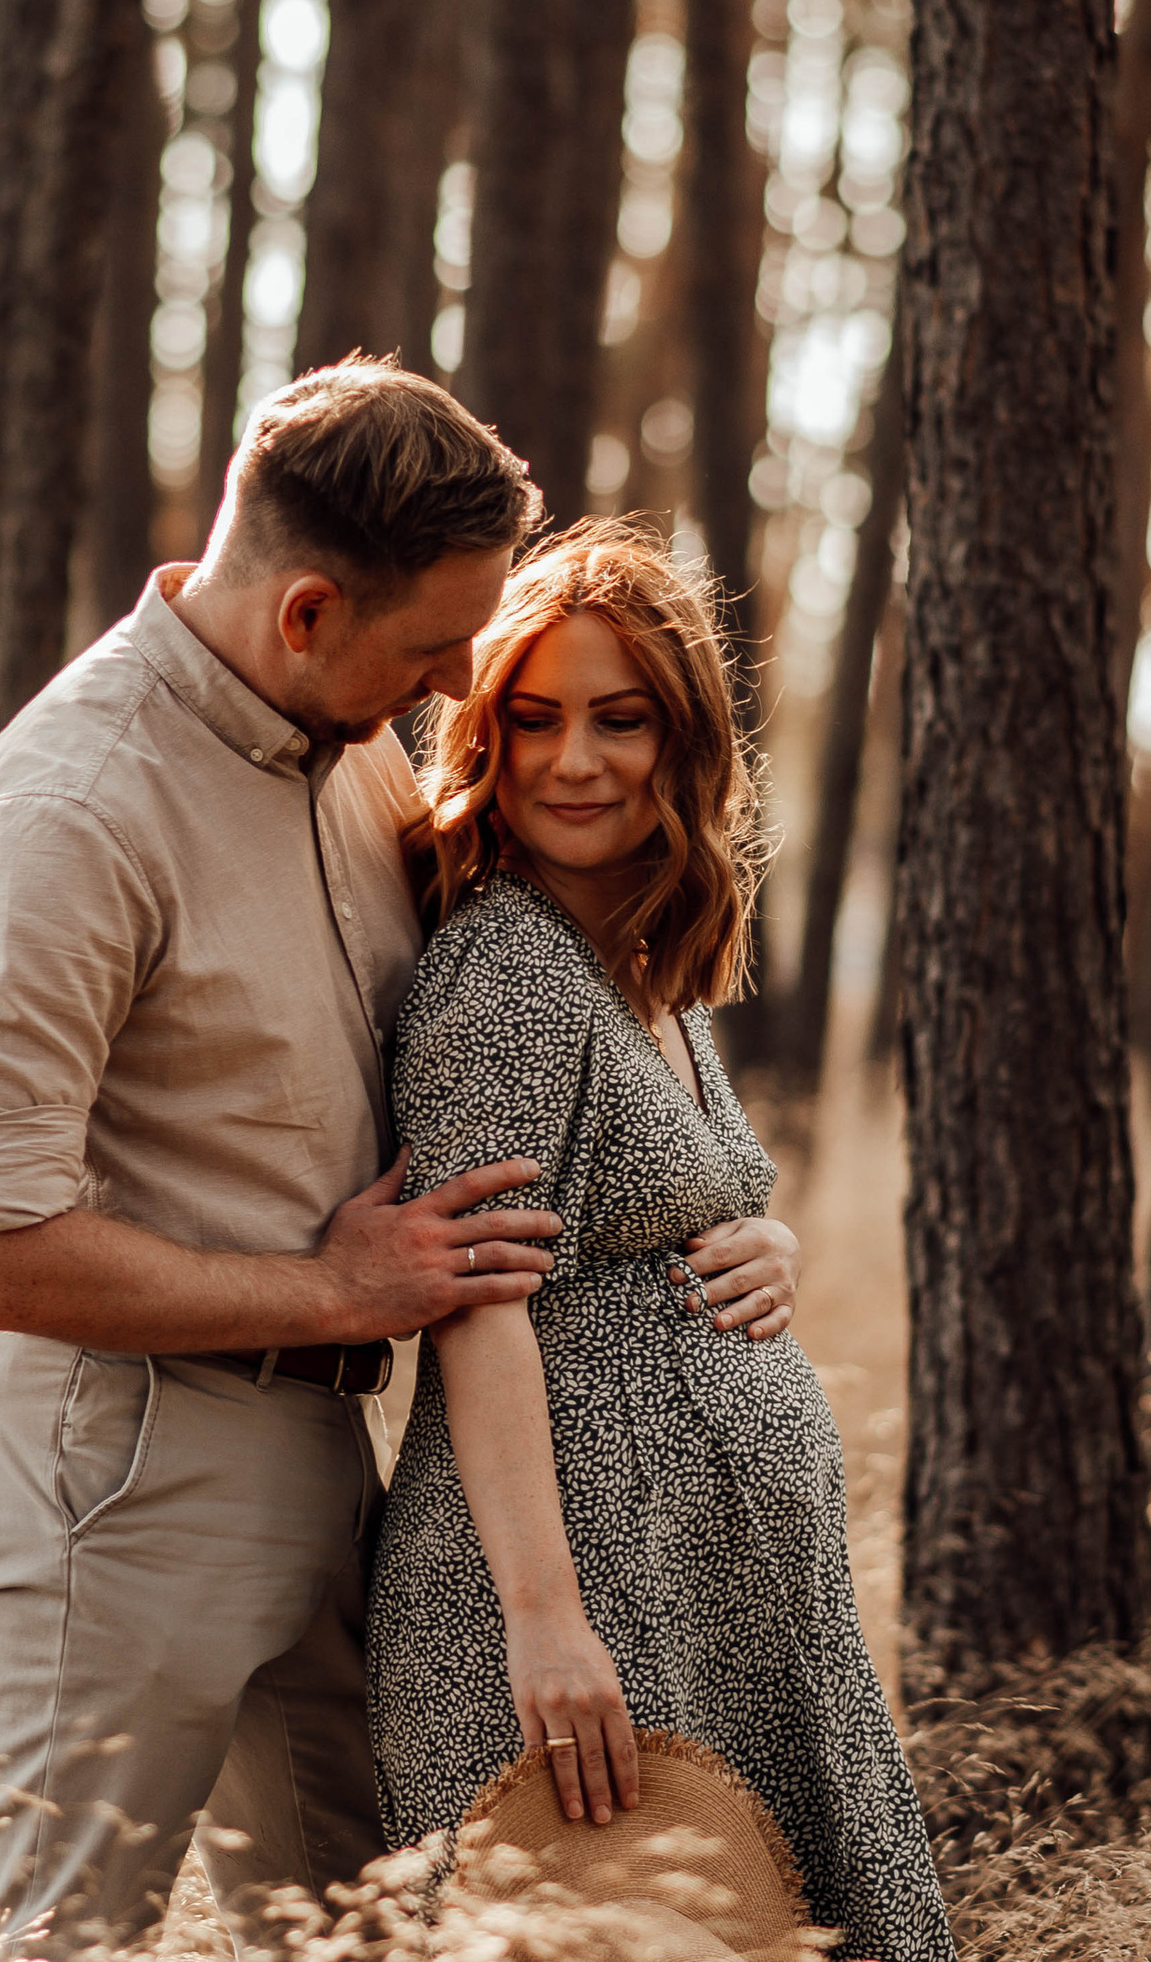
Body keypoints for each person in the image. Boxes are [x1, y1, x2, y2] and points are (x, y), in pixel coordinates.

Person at [0, 365, 583, 1958]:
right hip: (113, 1465)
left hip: (324, 1452)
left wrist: (717, 1223)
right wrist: (331, 1285)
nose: (458, 676)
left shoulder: (351, 752)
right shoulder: (72, 810)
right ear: (306, 611)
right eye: (431, 645)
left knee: (356, 1931)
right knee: (67, 1937)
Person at [367, 523, 955, 1962]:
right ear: (486, 735)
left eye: (620, 719)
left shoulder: (637, 961)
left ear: (680, 738)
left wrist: (768, 1242)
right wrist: (548, 1626)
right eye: (537, 718)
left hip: (707, 1593)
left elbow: (670, 1207)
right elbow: (481, 1301)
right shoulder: (505, 967)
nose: (577, 760)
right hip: (584, 1598)